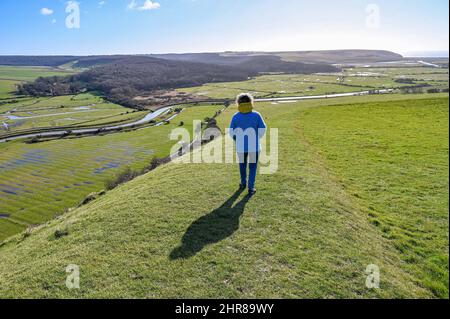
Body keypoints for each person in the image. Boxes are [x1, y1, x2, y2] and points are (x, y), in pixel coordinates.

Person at [229, 93, 267, 196]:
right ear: (250, 102)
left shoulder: (236, 116)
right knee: (253, 167)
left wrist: (237, 139)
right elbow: (263, 129)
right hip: (254, 146)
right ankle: (251, 188)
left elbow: (231, 132)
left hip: (241, 147)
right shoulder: (256, 115)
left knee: (242, 166)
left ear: (238, 103)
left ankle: (243, 183)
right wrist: (256, 138)